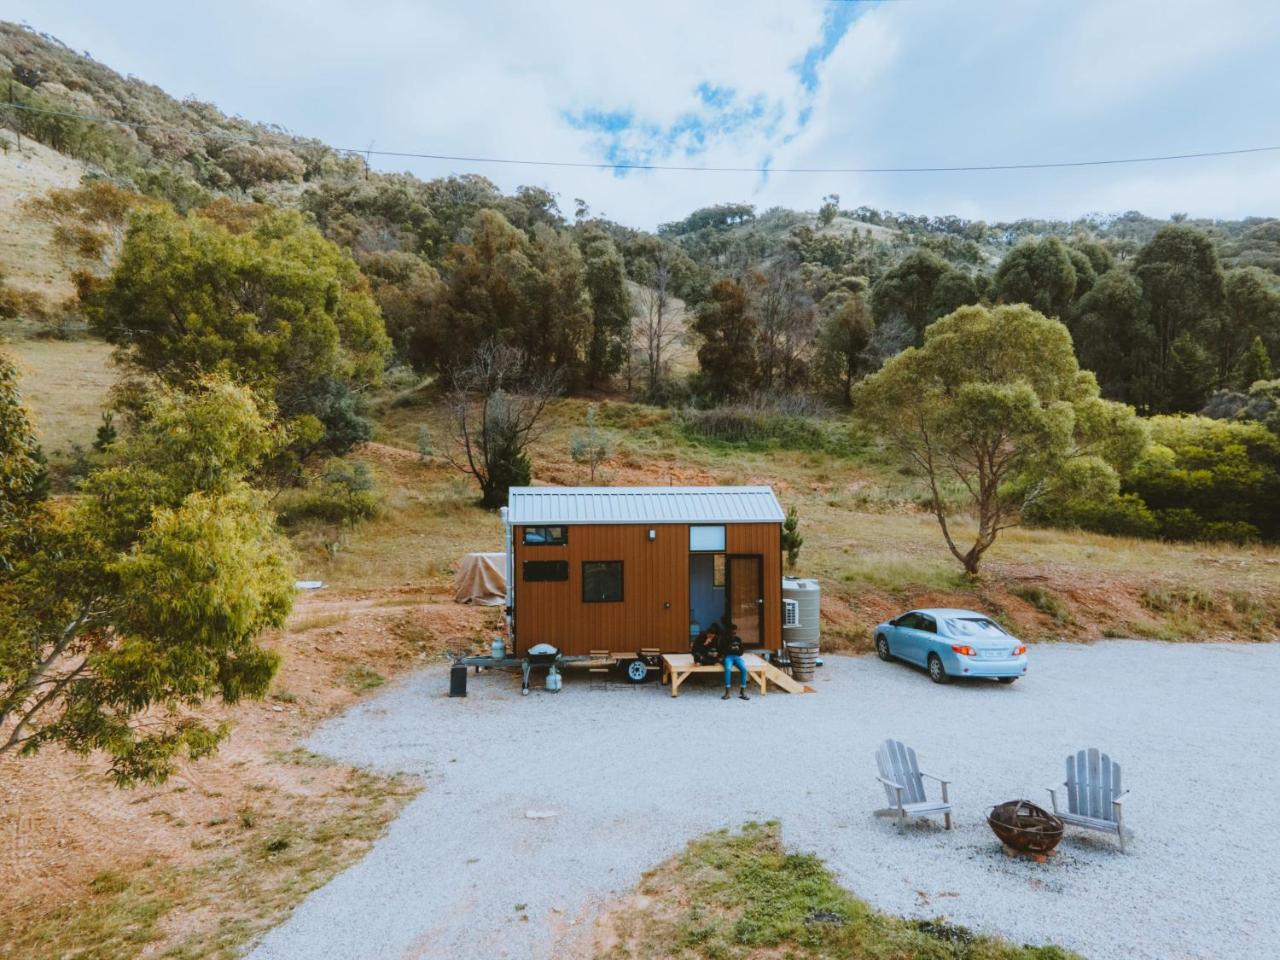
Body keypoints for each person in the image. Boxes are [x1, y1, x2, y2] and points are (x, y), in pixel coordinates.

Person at [718, 621, 749, 700]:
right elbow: (721, 650)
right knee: (728, 669)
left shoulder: (738, 639)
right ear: (729, 632)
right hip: (728, 657)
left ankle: (742, 692)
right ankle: (727, 692)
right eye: (732, 633)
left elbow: (742, 652)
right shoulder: (724, 639)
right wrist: (730, 648)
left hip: (737, 656)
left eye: (735, 632)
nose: (733, 634)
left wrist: (737, 649)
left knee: (744, 669)